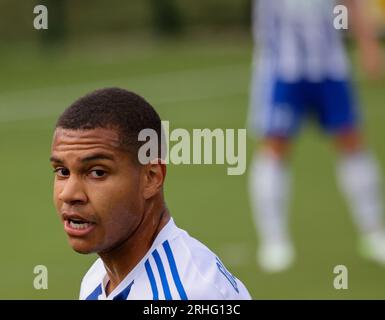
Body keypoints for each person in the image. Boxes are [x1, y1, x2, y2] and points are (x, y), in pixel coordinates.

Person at [50, 87, 251, 300]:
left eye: (97, 172)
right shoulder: (98, 278)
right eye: (62, 171)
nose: (69, 194)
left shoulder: (184, 294)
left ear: (151, 177)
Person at [248, 0, 385, 272]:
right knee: (275, 146)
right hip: (280, 67)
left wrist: (368, 45)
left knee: (351, 141)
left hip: (330, 63)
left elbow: (352, 3)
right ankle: (274, 240)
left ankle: (374, 231)